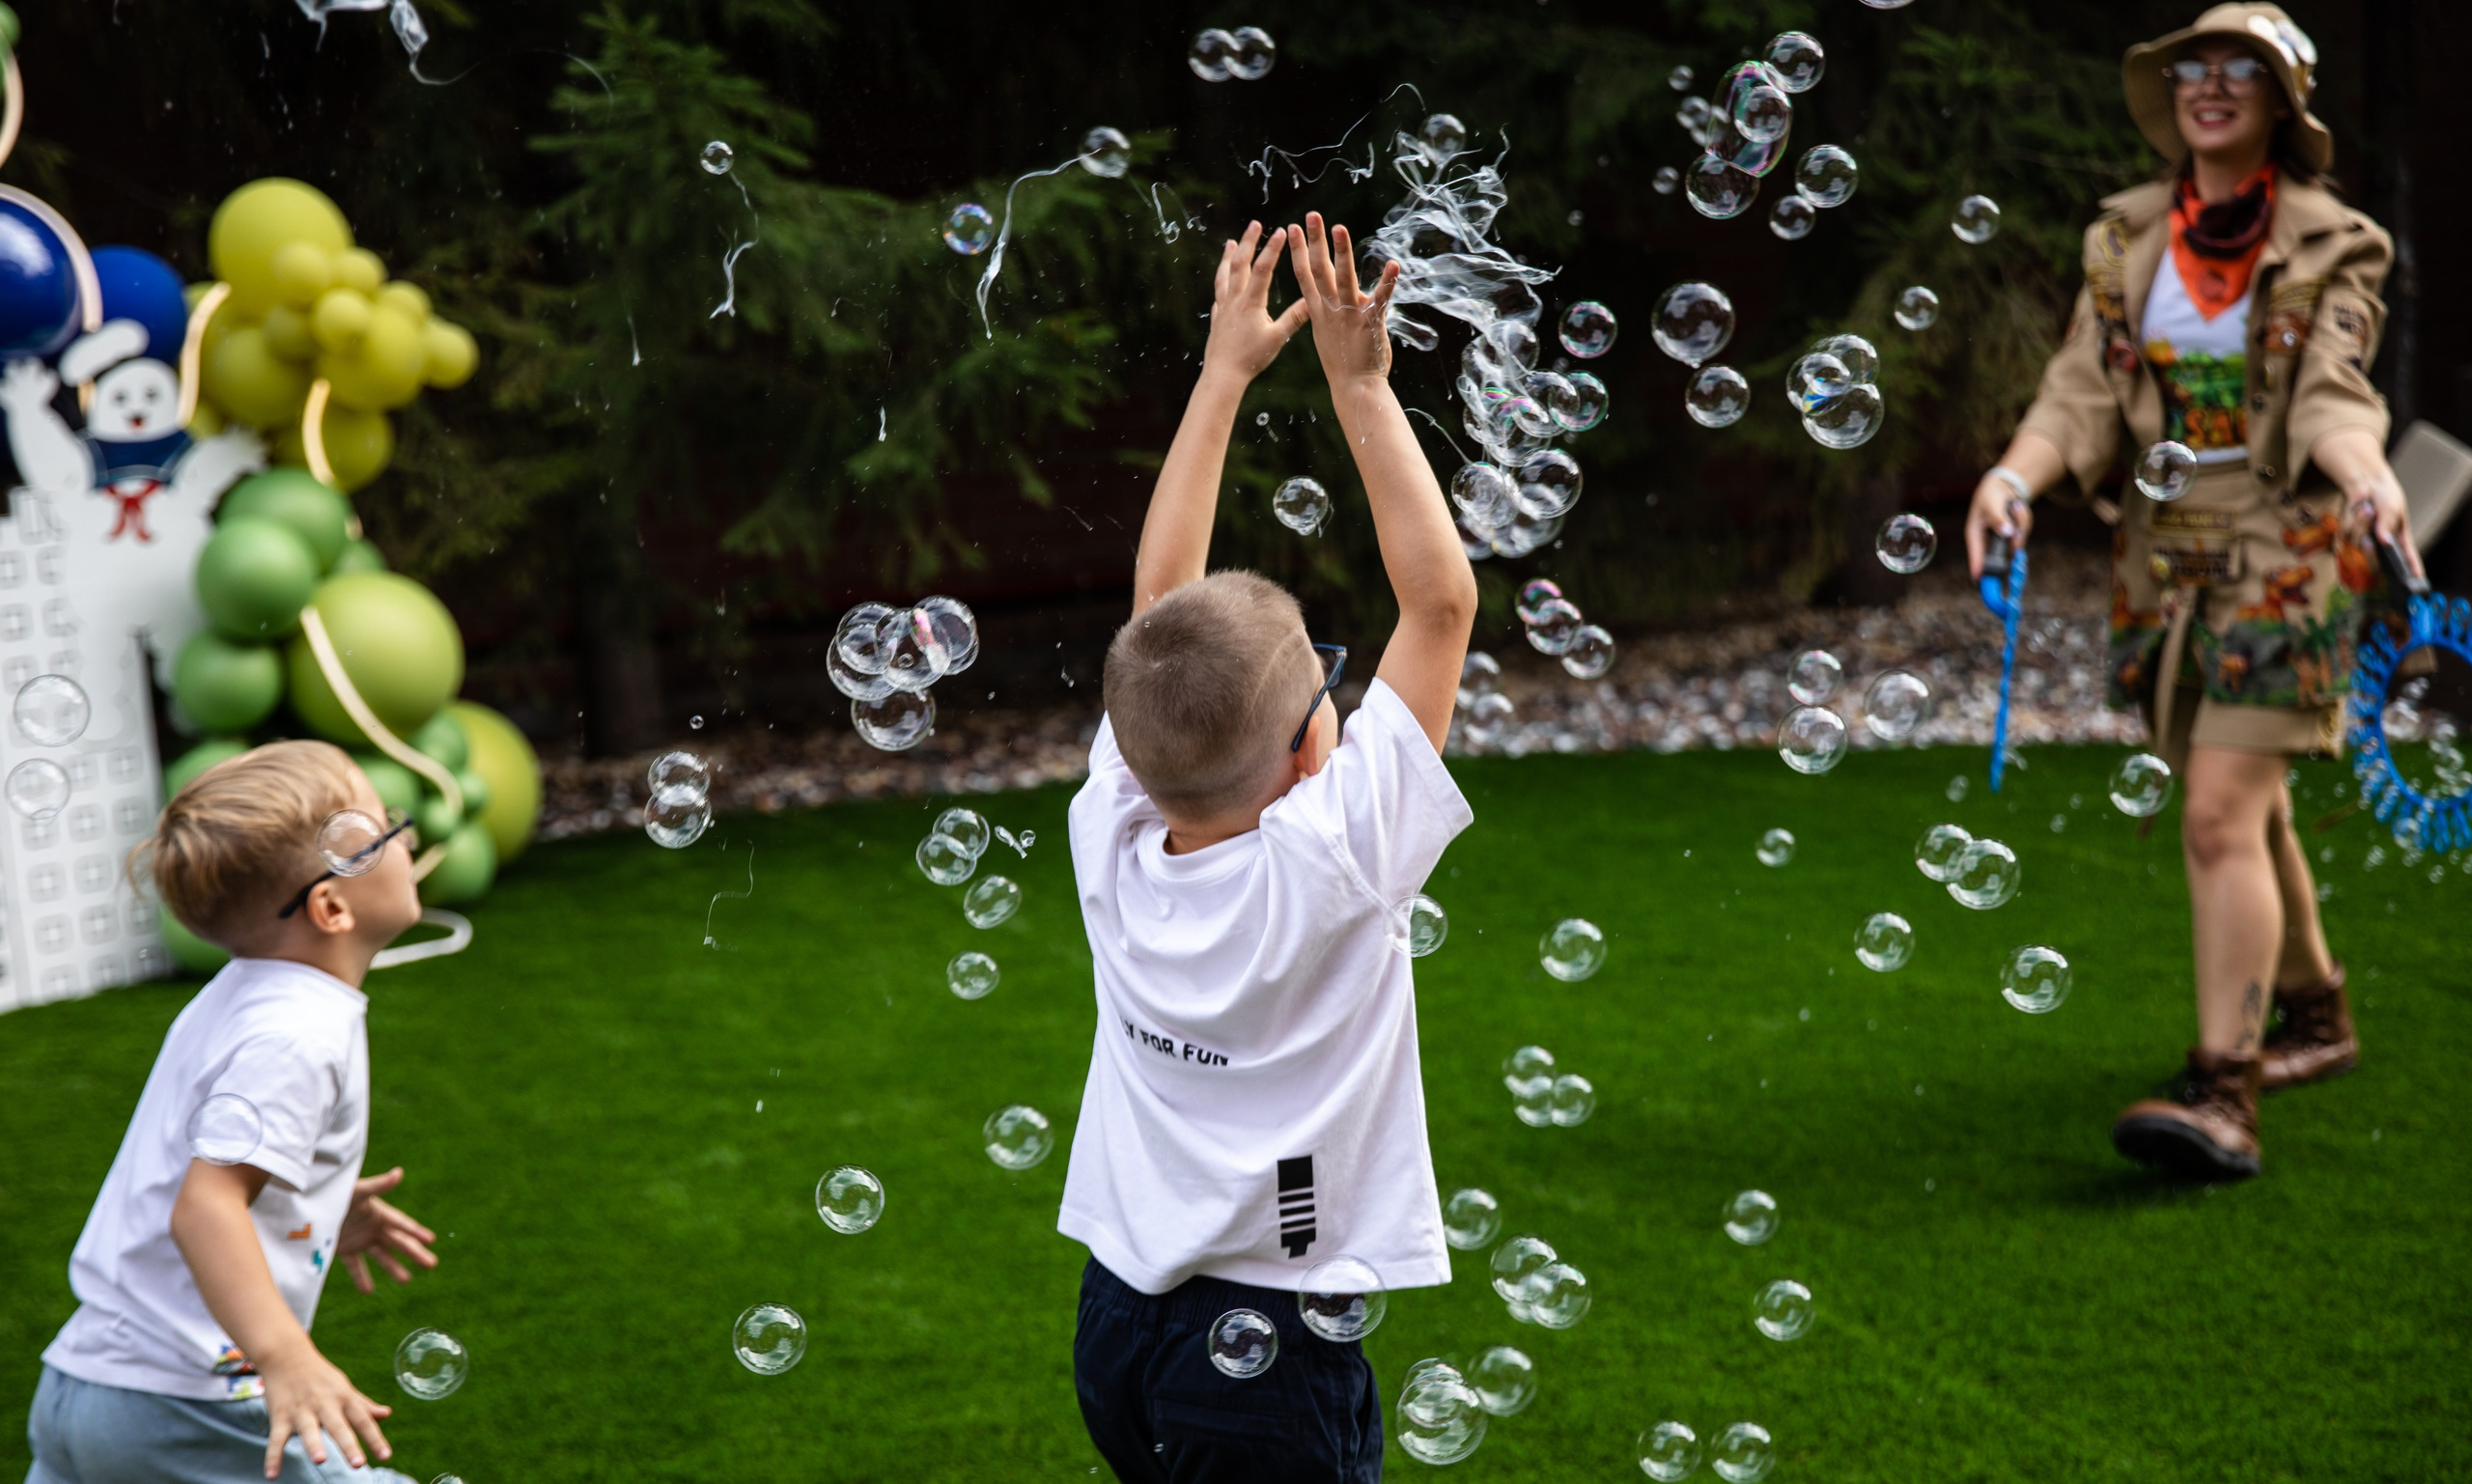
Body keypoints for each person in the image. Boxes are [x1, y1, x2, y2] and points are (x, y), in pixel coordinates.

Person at [1963, 4, 2421, 1181]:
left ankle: (2223, 1093)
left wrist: (2368, 478)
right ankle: (2316, 1016)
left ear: (2281, 105)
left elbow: (2331, 392)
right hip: (2162, 559)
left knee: (2218, 810)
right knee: (2245, 802)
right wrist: (2014, 477)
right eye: (2191, 70)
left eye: (2240, 72)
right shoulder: (2122, 239)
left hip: (2291, 556)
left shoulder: (2334, 243)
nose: (2208, 87)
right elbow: (2078, 390)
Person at [1059, 212, 1477, 1481]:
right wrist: (1360, 381)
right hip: (1272, 1352)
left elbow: (1155, 607)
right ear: (1314, 750)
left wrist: (1222, 373)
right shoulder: (1336, 857)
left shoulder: (1116, 824)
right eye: (1327, 688)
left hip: (1119, 1318)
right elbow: (1445, 602)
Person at [26, 742, 438, 1483]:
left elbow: (202, 1165)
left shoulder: (244, 995)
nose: (405, 840)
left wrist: (319, 1209)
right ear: (331, 904)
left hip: (84, 1387)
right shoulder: (297, 1032)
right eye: (382, 832)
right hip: (186, 1406)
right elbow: (204, 1206)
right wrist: (287, 1358)